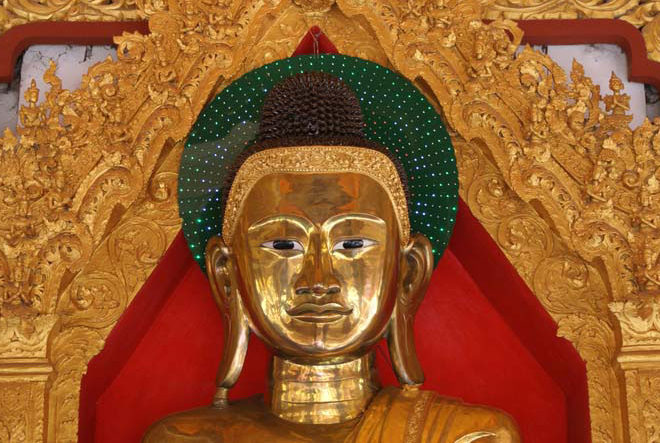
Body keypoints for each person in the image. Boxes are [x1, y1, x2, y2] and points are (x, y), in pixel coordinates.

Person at [144, 69, 520, 442]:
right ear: (226, 274)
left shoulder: (472, 438)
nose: (319, 281)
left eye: (352, 245)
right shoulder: (185, 439)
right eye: (284, 246)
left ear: (409, 272)